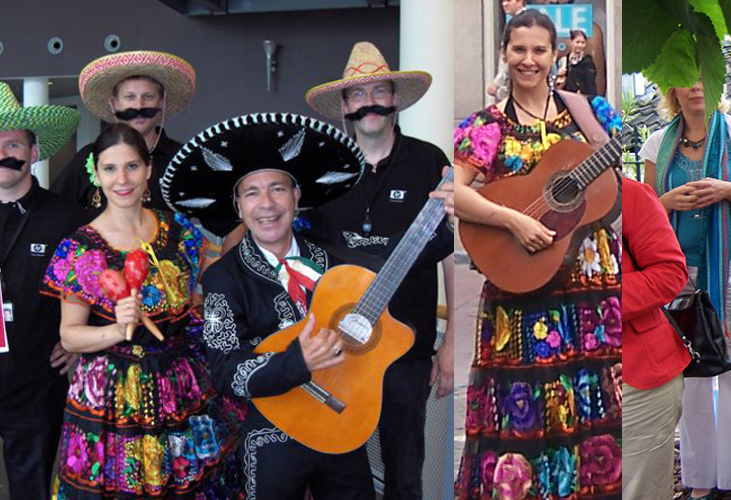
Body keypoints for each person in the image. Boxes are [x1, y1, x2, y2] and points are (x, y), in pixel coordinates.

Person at [453, 9, 622, 499]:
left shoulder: (589, 113)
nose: (529, 60)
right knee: (524, 403)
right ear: (505, 53)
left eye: (539, 50)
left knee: (594, 401)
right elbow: (458, 193)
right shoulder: (486, 125)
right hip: (521, 282)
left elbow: (614, 185)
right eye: (519, 50)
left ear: (556, 55)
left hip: (589, 283)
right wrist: (515, 220)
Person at [163, 113, 375, 498]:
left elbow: (401, 256)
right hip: (269, 434)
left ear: (296, 197)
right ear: (239, 208)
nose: (267, 204)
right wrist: (298, 362)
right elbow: (225, 371)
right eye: (251, 193)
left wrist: (443, 218)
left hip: (341, 420)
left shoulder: (336, 264)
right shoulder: (222, 280)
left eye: (277, 188)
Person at [42, 123, 240, 499]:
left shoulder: (178, 228)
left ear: (148, 170)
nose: (122, 179)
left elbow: (195, 295)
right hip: (114, 394)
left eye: (132, 167)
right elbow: (70, 335)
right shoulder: (81, 249)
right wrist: (119, 328)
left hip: (183, 383)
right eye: (110, 168)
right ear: (95, 174)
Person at [304, 41, 453, 498]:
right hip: (334, 349)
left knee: (405, 475)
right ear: (344, 107)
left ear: (395, 99)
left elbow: (449, 254)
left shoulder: (432, 162)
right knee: (339, 475)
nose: (369, 102)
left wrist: (452, 348)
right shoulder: (321, 170)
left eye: (379, 91)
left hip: (406, 351)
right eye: (358, 94)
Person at [638, 74, 731, 500]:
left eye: (703, 78)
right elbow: (644, 210)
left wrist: (728, 190)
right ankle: (700, 476)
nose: (696, 86)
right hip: (678, 272)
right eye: (684, 80)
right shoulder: (656, 144)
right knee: (691, 374)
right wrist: (668, 201)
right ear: (672, 91)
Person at [0, 82, 83, 500]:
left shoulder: (67, 218)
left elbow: (94, 285)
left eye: (13, 144)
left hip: (35, 381)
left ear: (33, 153)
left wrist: (77, 342)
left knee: (30, 489)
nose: (3, 154)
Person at [52, 51, 195, 222]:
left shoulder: (184, 159)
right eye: (129, 97)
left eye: (148, 97)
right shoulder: (87, 157)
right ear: (114, 104)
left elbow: (224, 222)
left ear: (161, 103)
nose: (139, 106)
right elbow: (53, 213)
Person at [621, 177, 689, 499]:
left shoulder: (629, 195)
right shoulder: (521, 202)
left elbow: (670, 272)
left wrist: (594, 302)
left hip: (636, 377)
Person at [486, 0, 528, 102]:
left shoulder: (522, 23)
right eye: (503, 1)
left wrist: (497, 83)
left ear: (520, 2)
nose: (504, 4)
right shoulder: (514, 21)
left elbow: (514, 57)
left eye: (509, 0)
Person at [562, 30, 596, 95]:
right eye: (577, 42)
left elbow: (590, 82)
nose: (580, 45)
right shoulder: (564, 59)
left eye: (583, 43)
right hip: (567, 96)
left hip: (582, 97)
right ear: (571, 42)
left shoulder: (587, 60)